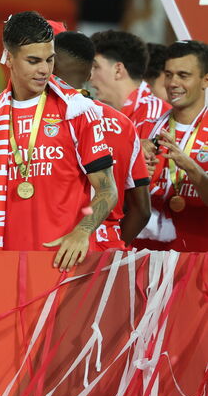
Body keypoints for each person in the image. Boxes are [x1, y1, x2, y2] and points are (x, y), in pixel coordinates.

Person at [0, 12, 117, 271]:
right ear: (9, 58)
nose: (44, 70)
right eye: (33, 61)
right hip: (5, 264)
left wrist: (82, 231)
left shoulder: (76, 110)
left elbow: (108, 190)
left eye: (50, 59)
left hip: (64, 263)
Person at [54, 31, 151, 248]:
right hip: (107, 250)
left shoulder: (44, 122)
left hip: (58, 246)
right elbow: (142, 210)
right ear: (89, 73)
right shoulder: (123, 124)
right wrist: (112, 244)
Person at [139, 40, 208, 252]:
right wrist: (132, 169)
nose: (172, 83)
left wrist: (191, 167)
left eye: (183, 75)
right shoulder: (143, 129)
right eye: (169, 75)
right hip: (145, 256)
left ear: (205, 80)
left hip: (199, 259)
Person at [89, 30, 169, 135]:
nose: (90, 77)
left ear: (118, 70)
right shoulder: (102, 117)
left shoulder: (154, 118)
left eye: (95, 67)